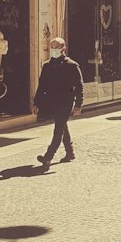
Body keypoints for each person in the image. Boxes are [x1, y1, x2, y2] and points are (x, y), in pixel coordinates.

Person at [33, 36, 84, 169]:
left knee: (58, 129)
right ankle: (70, 152)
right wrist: (36, 102)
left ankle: (48, 157)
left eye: (56, 47)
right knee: (62, 126)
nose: (54, 50)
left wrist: (78, 105)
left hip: (65, 102)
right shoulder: (47, 66)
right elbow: (42, 86)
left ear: (63, 49)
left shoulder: (72, 65)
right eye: (52, 47)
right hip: (52, 102)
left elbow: (79, 86)